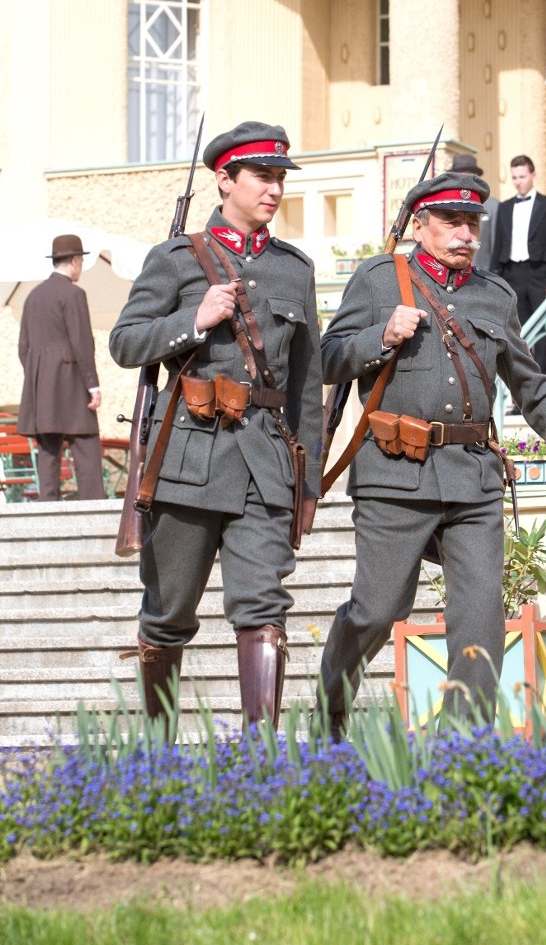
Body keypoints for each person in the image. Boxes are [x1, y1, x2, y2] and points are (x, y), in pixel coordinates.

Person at [315, 172, 546, 735]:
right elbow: (327, 360)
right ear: (419, 226)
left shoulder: (494, 294)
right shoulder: (378, 280)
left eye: (473, 222)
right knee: (378, 610)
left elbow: (531, 384)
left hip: (472, 480)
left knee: (480, 621)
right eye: (452, 222)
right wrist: (381, 337)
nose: (466, 233)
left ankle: (460, 750)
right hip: (394, 476)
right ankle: (332, 701)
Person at [109, 121, 322, 736]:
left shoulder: (293, 269)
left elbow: (306, 386)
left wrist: (304, 483)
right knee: (169, 613)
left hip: (264, 464)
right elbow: (126, 344)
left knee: (263, 609)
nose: (274, 189)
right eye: (263, 176)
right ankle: (158, 754)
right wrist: (193, 320)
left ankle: (260, 758)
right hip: (186, 464)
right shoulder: (176, 258)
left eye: (280, 177)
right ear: (224, 179)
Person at [17, 234, 106, 501]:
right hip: (71, 379)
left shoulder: (32, 296)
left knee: (48, 448)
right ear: (76, 261)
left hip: (40, 382)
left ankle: (47, 507)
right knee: (86, 443)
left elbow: (23, 347)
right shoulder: (74, 294)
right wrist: (93, 385)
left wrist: (39, 375)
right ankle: (93, 509)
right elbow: (82, 342)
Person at [489, 154, 546, 379]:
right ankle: (521, 387)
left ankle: (545, 384)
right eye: (514, 177)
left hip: (539, 273)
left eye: (522, 176)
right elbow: (498, 247)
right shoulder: (504, 207)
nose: (518, 181)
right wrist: (495, 280)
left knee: (542, 330)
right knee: (516, 333)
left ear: (533, 175)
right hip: (512, 273)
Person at [452, 152, 499, 271]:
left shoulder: (492, 205)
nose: (464, 181)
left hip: (484, 274)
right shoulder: (447, 207)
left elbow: (497, 243)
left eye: (468, 176)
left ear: (476, 178)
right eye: (460, 176)